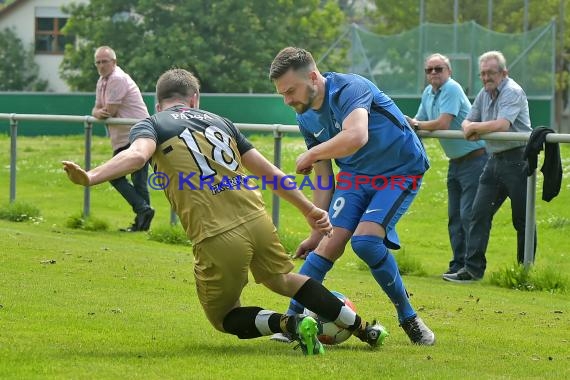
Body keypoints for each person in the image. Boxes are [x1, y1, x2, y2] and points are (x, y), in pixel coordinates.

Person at [63, 68, 388, 356]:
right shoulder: (221, 122)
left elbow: (136, 157)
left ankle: (290, 323)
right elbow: (268, 172)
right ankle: (364, 329)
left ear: (157, 103)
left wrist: (91, 177)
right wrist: (309, 209)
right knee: (284, 279)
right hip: (257, 220)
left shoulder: (153, 124)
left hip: (215, 233)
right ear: (195, 99)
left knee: (223, 317)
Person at [269, 47, 435, 345]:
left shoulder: (350, 88)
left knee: (366, 243)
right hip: (355, 178)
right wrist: (315, 231)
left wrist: (311, 152)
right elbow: (323, 178)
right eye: (283, 94)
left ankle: (409, 318)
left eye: (291, 90)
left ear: (313, 76)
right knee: (325, 247)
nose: (288, 100)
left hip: (400, 171)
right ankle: (290, 322)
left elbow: (357, 135)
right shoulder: (306, 117)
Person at [443, 50, 536, 283]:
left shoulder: (512, 91)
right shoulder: (484, 94)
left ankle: (524, 273)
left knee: (522, 218)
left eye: (490, 73)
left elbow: (502, 125)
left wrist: (475, 128)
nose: (485, 78)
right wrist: (470, 127)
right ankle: (472, 270)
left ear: (504, 73)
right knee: (478, 213)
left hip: (517, 159)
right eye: (482, 74)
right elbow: (467, 120)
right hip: (493, 160)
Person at [405, 53, 488, 276]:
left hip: (476, 159)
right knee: (455, 216)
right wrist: (411, 124)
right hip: (456, 162)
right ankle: (458, 265)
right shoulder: (428, 92)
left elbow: (442, 122)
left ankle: (472, 269)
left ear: (448, 71)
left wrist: (414, 124)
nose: (433, 73)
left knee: (468, 215)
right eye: (429, 70)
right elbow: (419, 124)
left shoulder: (451, 88)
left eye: (438, 69)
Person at [92, 45, 154, 232]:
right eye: (98, 62)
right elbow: (96, 109)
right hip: (126, 136)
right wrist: (98, 112)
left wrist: (100, 112)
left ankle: (143, 212)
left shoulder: (117, 78)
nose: (101, 65)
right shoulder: (102, 80)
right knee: (137, 181)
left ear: (114, 62)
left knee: (116, 176)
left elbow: (108, 111)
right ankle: (143, 219)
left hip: (136, 135)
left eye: (105, 61)